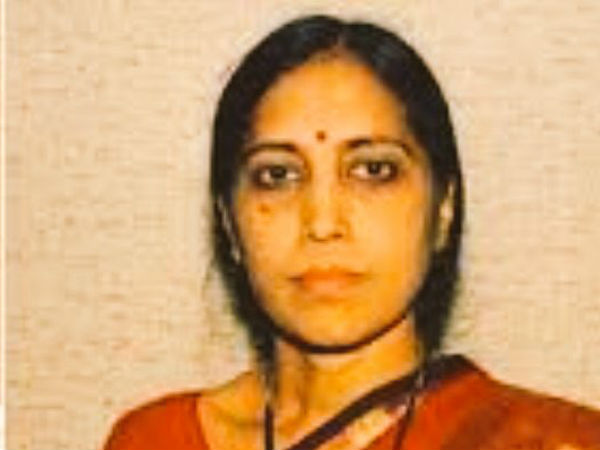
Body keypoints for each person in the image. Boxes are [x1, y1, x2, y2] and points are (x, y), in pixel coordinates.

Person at [103, 15, 600, 450]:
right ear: (230, 223)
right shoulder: (153, 439)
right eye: (277, 175)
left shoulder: (548, 439)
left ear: (444, 210)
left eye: (373, 170)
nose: (323, 224)